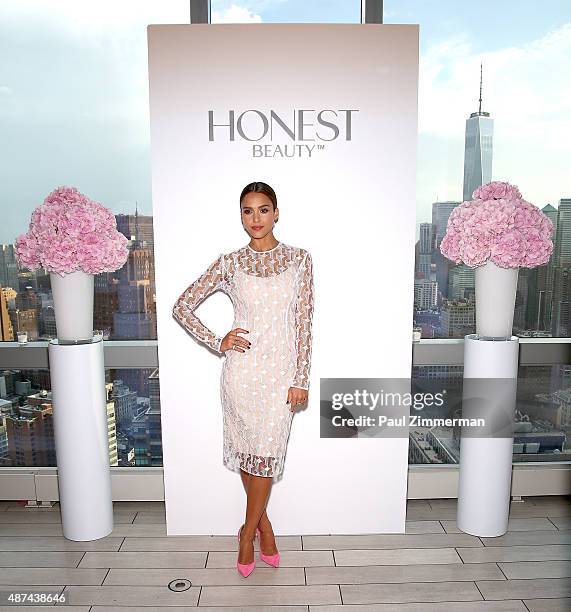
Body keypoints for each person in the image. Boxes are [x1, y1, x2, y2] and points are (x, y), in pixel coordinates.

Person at [172, 181, 315, 578]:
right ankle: (263, 528)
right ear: (241, 215)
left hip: (282, 375)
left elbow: (304, 324)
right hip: (242, 374)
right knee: (251, 454)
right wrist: (218, 341)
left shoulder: (300, 260)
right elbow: (182, 306)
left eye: (263, 209)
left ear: (277, 212)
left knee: (266, 454)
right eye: (248, 211)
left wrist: (300, 376)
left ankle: (245, 531)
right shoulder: (230, 263)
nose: (256, 218)